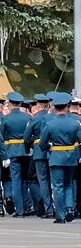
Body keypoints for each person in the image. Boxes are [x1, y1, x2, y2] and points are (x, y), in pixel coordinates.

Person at [37, 92, 79, 223]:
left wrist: (48, 147)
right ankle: (70, 208)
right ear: (67, 106)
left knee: (58, 186)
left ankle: (60, 215)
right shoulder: (75, 123)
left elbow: (42, 143)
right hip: (71, 156)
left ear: (55, 107)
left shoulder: (50, 124)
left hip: (56, 157)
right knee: (68, 184)